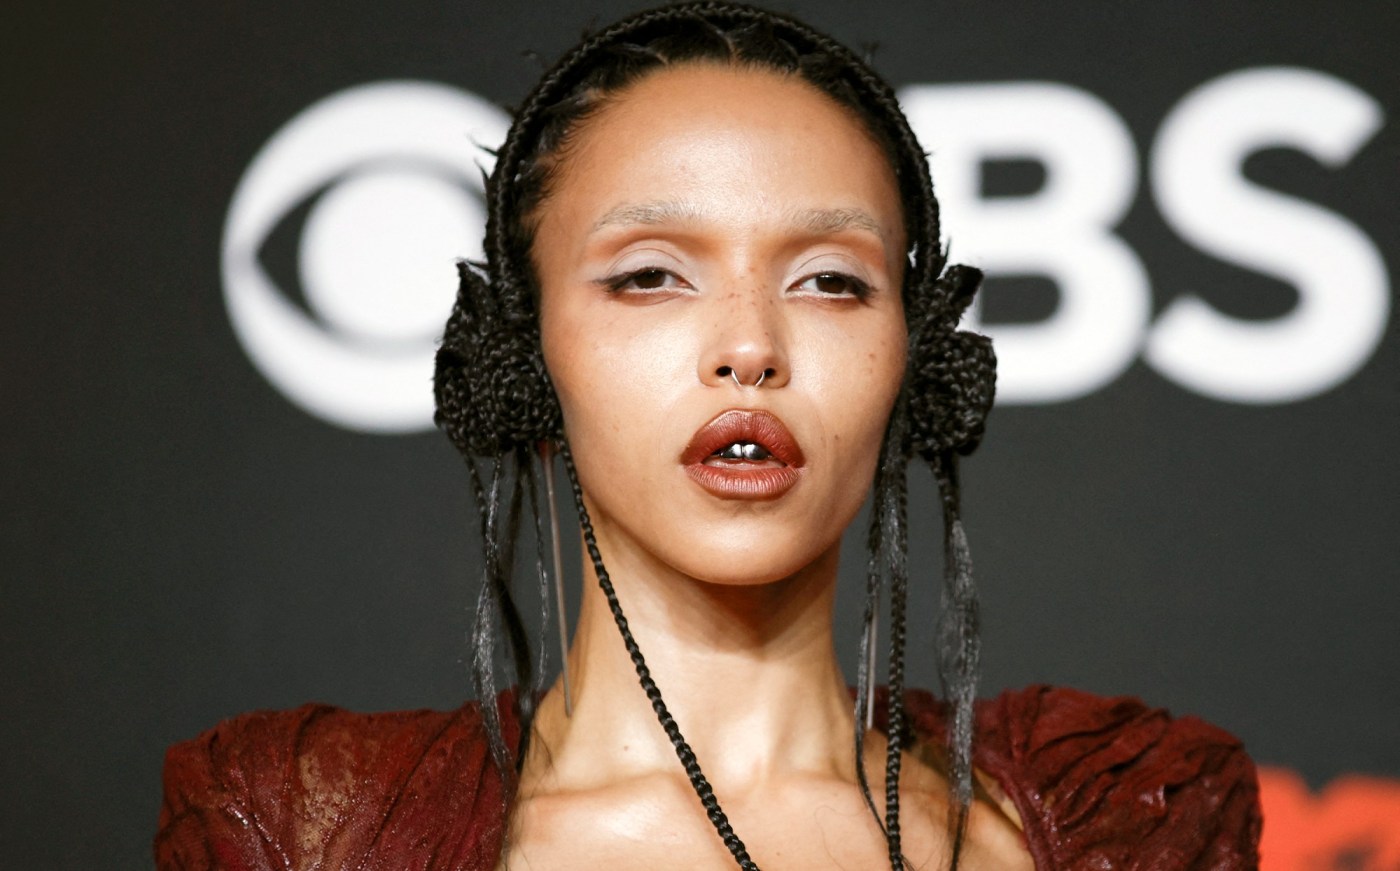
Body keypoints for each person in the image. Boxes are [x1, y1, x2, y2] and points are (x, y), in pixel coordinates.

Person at [155, 3, 1261, 868]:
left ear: (913, 360)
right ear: (522, 358)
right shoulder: (303, 831)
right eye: (650, 276)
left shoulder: (1119, 813)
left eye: (830, 281)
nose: (749, 347)